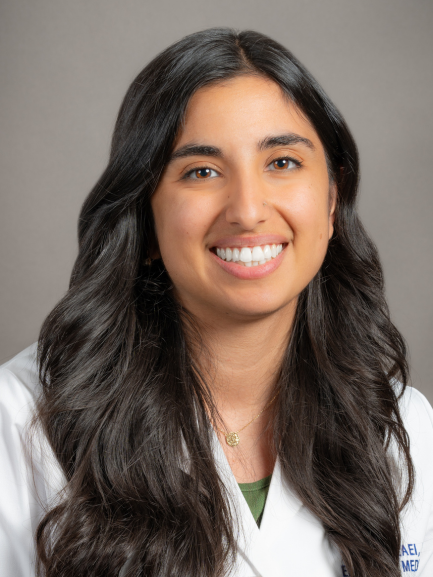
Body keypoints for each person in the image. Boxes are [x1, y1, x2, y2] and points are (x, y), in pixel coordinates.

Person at [0, 27, 432, 577]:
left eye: (282, 162)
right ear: (146, 221)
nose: (247, 210)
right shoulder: (21, 423)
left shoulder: (403, 430)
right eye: (201, 171)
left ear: (331, 202)